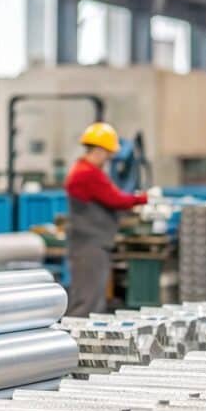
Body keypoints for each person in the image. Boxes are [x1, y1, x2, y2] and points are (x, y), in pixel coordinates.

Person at [65, 122, 148, 317]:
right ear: (100, 150)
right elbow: (116, 199)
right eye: (108, 154)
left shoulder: (85, 170)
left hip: (91, 243)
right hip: (89, 243)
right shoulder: (87, 174)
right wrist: (145, 198)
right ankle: (79, 344)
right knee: (88, 301)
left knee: (90, 297)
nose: (108, 159)